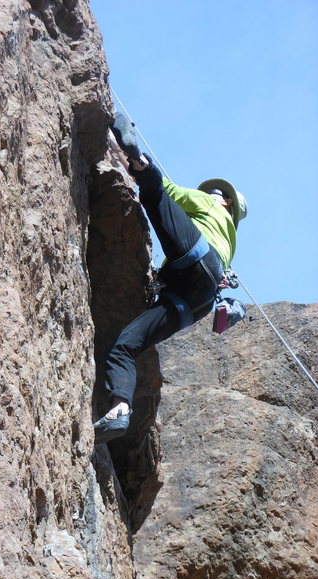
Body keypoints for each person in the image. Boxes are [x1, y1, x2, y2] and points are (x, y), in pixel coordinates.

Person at [93, 113, 248, 444]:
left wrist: (127, 163)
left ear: (227, 202)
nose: (214, 192)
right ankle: (119, 411)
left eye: (220, 192)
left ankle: (138, 158)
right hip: (195, 302)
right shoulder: (231, 241)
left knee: (155, 195)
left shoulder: (210, 204)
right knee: (126, 345)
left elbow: (173, 193)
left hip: (194, 258)